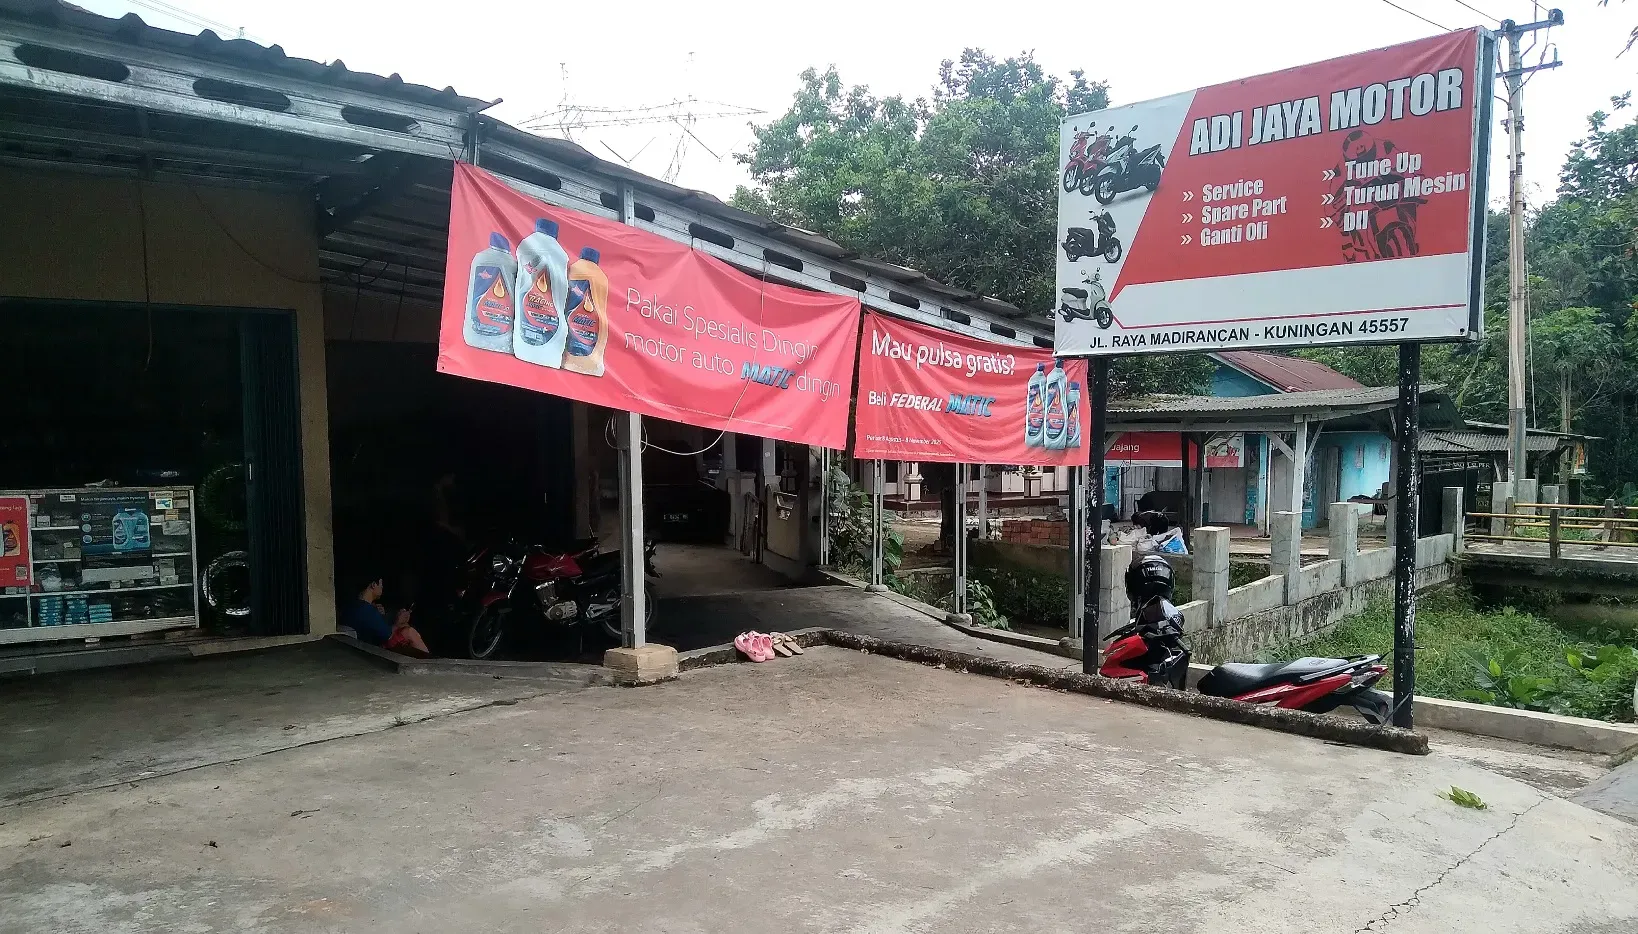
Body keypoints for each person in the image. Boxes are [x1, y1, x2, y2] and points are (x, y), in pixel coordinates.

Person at [341, 572, 430, 656]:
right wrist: (398, 623)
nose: (382, 587)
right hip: (373, 650)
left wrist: (380, 615)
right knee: (410, 632)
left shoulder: (353, 604)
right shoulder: (368, 610)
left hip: (358, 645)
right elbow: (388, 636)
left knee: (405, 627)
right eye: (381, 584)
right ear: (373, 585)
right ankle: (430, 662)